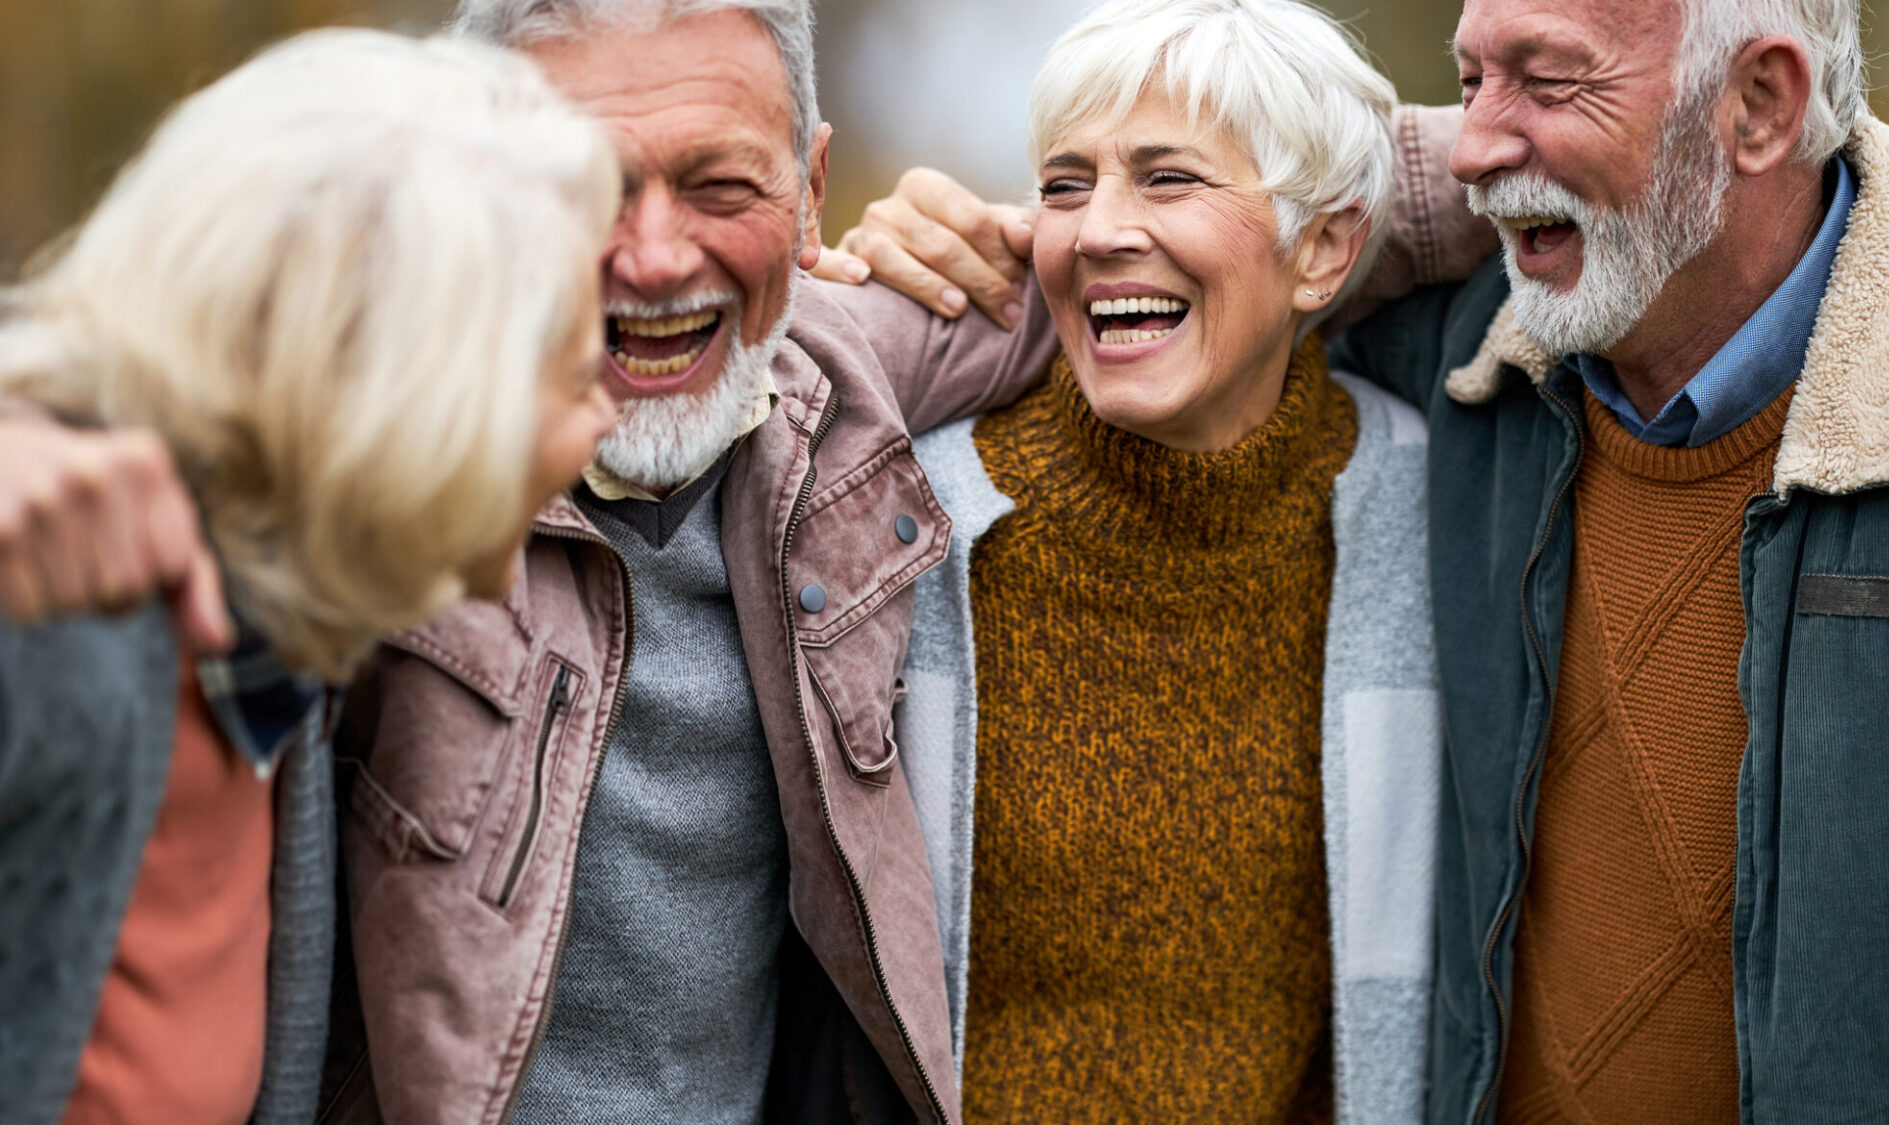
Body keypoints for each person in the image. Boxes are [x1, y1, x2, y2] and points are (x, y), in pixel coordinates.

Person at [0, 1, 1483, 1120]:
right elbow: (191, 330)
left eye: (721, 188)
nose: (649, 261)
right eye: (574, 208)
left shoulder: (843, 381)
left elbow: (1251, 218)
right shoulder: (154, 569)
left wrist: (1571, 133)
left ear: (814, 189)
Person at [827, 0, 1889, 1119]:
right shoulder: (1482, 369)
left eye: (1543, 78)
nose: (1477, 143)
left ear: (1757, 105)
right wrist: (926, 291)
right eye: (1466, 80)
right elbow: (1175, 271)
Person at [0, 28, 618, 1125]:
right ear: (423, 402)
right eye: (577, 374)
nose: (608, 418)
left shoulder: (280, 651)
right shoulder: (57, 627)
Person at [869, 1, 1443, 1121]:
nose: (1094, 233)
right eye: (1064, 185)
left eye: (1167, 178)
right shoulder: (911, 520)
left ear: (1323, 246)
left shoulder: (1431, 509)